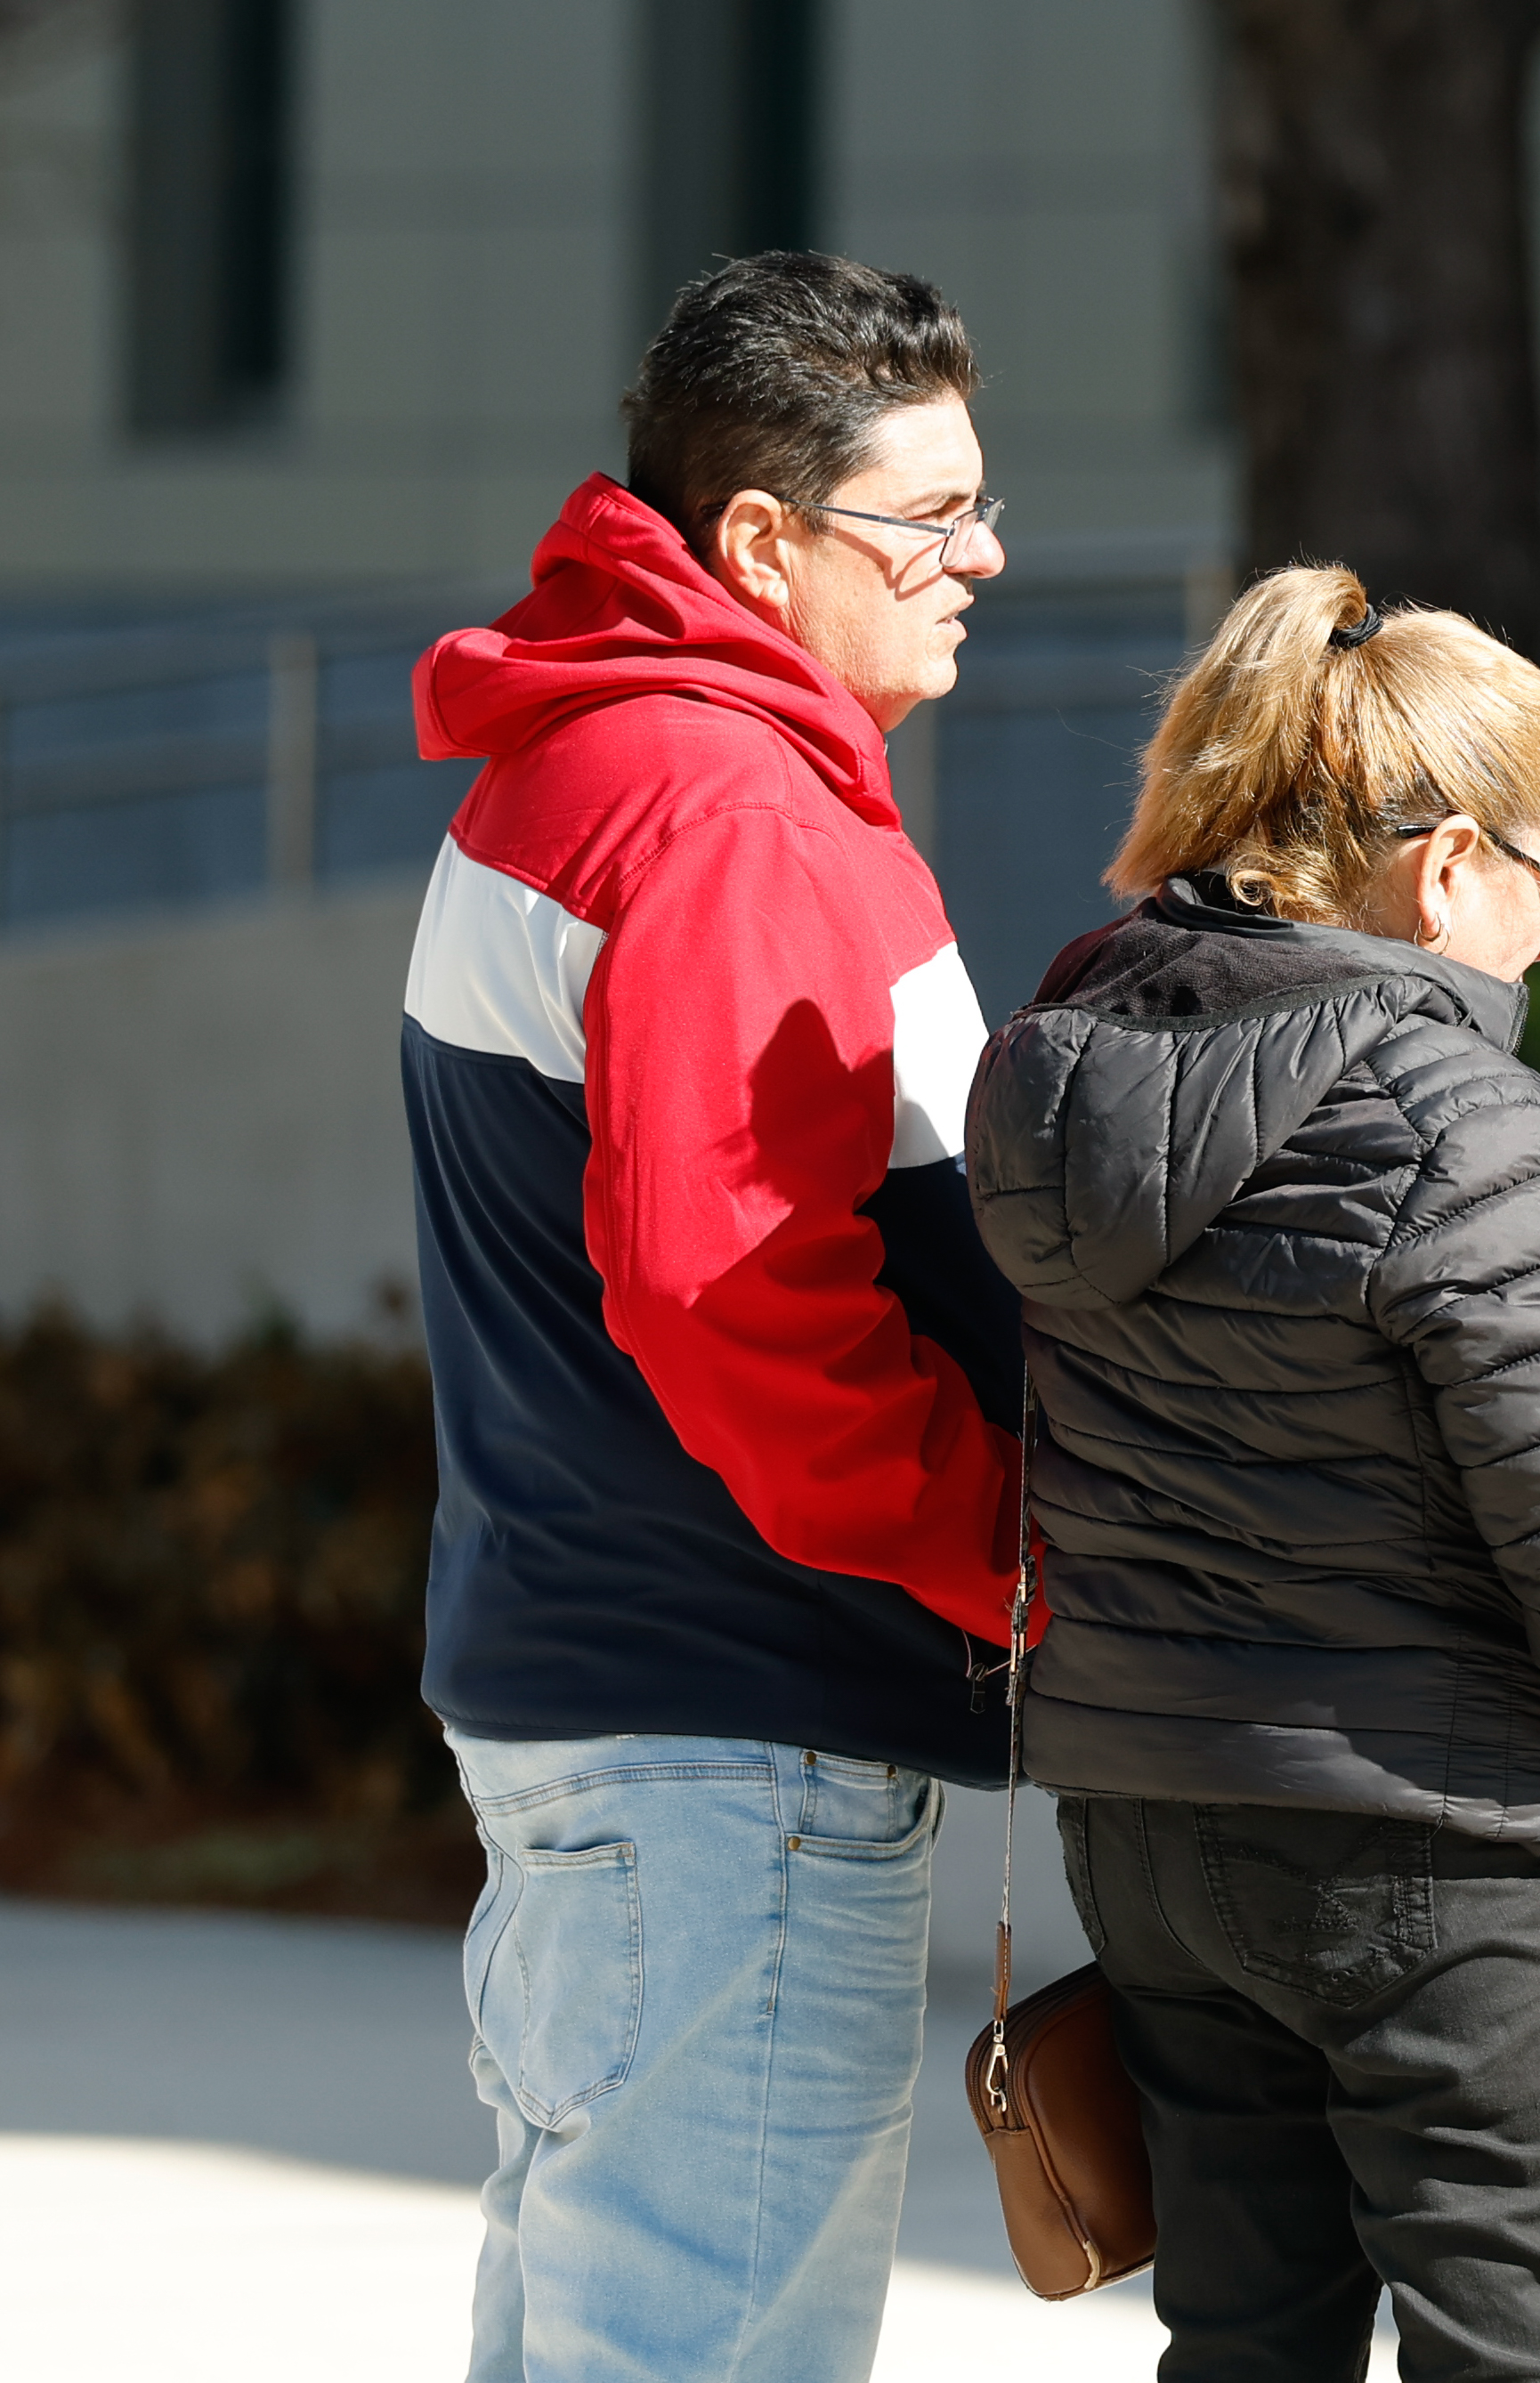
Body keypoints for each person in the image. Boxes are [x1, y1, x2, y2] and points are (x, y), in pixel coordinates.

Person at [965, 563, 1540, 2383]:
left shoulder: (1052, 1085)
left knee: (1243, 2348)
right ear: (1443, 870)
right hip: (1441, 1850)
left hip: (1154, 1832)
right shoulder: (1477, 1133)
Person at [402, 252, 1025, 2382]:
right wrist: (1016, 1557)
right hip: (732, 1735)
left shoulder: (592, 757)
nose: (984, 557)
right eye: (928, 520)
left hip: (622, 1713)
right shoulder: (727, 806)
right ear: (762, 542)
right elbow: (737, 1296)